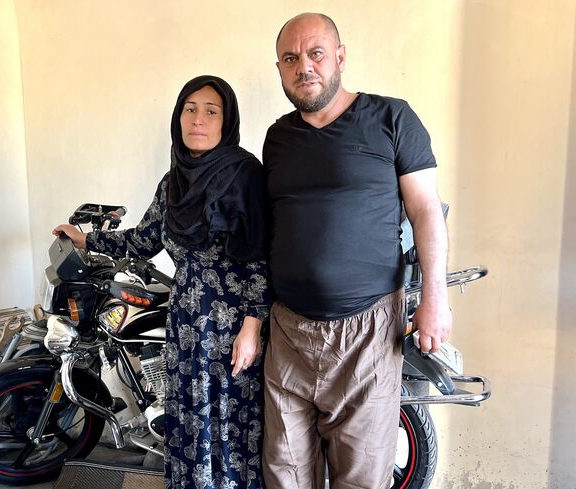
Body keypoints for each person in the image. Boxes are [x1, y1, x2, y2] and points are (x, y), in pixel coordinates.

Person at [261, 13, 452, 489]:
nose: (304, 67)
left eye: (315, 53)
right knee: (284, 476)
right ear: (280, 69)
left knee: (361, 477)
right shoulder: (277, 138)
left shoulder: (392, 118)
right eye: (290, 58)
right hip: (287, 331)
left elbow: (426, 210)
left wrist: (435, 298)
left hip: (367, 333)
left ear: (340, 57)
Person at [53, 75, 270, 489]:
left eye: (211, 111)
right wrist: (87, 238)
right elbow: (144, 239)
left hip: (231, 327)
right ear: (178, 117)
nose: (198, 120)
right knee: (189, 423)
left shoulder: (244, 175)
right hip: (186, 319)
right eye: (190, 109)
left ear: (227, 121)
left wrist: (253, 327)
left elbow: (260, 256)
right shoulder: (173, 183)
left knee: (229, 427)